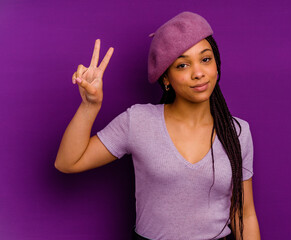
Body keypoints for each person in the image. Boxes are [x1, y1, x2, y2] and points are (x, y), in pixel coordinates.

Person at [55, 11, 260, 240]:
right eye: (182, 65)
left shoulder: (238, 132)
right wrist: (90, 106)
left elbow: (244, 213)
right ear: (166, 79)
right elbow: (67, 162)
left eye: (205, 59)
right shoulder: (139, 121)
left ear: (216, 64)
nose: (198, 73)